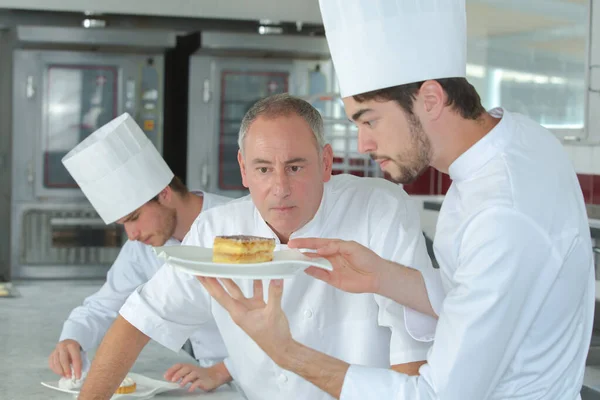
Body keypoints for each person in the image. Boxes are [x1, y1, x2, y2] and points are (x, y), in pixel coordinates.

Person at [199, 1, 595, 399]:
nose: (363, 143)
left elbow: (435, 395)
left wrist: (284, 351)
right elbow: (476, 293)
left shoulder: (503, 211)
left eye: (370, 119)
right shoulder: (517, 141)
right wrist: (385, 278)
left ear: (430, 99)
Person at [76, 94, 443, 400]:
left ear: (326, 162)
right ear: (244, 169)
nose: (280, 188)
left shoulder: (378, 210)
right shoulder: (218, 230)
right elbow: (140, 320)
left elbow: (410, 347)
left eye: (296, 168)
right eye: (264, 169)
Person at [48, 113, 233, 393]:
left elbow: (292, 321)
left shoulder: (238, 224)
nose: (131, 234)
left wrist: (221, 371)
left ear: (164, 194)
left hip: (266, 380)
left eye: (134, 217)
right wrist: (72, 339)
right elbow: (103, 306)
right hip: (204, 382)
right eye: (124, 224)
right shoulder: (143, 247)